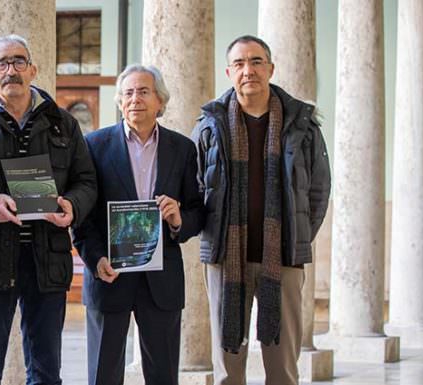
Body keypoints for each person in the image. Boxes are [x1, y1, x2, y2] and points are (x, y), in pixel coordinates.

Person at [0, 35, 97, 385]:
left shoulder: (63, 123)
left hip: (46, 256)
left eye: (19, 62)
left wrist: (71, 206)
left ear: (33, 69)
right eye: (1, 64)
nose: (11, 71)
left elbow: (86, 181)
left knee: (47, 372)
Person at [191, 35, 331, 385]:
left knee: (283, 366)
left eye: (256, 61)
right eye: (239, 63)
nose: (248, 70)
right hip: (226, 258)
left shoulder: (302, 125)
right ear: (229, 72)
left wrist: (296, 236)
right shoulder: (210, 125)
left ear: (270, 68)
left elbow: (318, 190)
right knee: (227, 366)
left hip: (282, 259)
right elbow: (195, 186)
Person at [72, 64, 205, 385]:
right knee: (103, 375)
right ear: (119, 102)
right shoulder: (94, 146)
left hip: (162, 281)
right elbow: (82, 216)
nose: (135, 99)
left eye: (144, 91)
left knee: (162, 376)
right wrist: (95, 259)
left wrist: (178, 219)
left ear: (160, 101)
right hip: (109, 275)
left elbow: (199, 212)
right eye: (128, 93)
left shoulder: (182, 149)